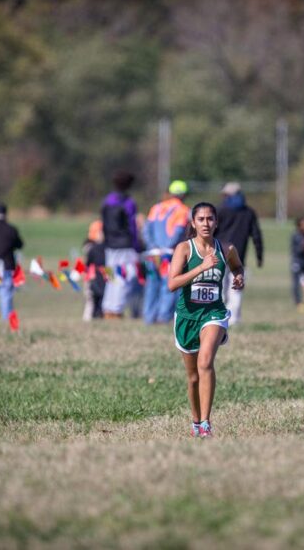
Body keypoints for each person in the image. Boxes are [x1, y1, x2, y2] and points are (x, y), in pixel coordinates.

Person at [168, 202, 244, 438]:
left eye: (210, 219)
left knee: (205, 363)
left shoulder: (227, 248)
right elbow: (172, 284)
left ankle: (206, 424)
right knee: (192, 377)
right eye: (200, 219)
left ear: (216, 222)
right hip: (187, 317)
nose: (206, 223)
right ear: (193, 223)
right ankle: (195, 421)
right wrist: (200, 268)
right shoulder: (184, 249)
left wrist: (239, 277)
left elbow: (237, 266)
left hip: (214, 313)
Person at [142, 180, 190, 324]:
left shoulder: (156, 207)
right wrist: (166, 248)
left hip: (152, 254)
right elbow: (179, 231)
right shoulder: (183, 210)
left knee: (151, 285)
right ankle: (163, 317)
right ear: (183, 195)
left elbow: (146, 230)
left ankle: (148, 318)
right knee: (169, 285)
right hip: (169, 254)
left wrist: (153, 247)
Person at [216, 182, 264, 325]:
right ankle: (234, 319)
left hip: (218, 253)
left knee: (219, 287)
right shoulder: (248, 212)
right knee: (237, 287)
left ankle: (219, 316)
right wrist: (259, 256)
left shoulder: (220, 210)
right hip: (239, 256)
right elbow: (256, 235)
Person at [100, 171, 140, 319]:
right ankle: (117, 310)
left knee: (111, 277)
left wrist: (105, 241)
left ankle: (108, 308)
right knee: (126, 275)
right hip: (125, 246)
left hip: (110, 245)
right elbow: (132, 226)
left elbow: (103, 223)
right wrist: (136, 245)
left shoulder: (107, 200)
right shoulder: (128, 202)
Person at [82, 220, 106, 321]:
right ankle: (88, 318)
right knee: (91, 299)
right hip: (93, 277)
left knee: (103, 298)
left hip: (104, 276)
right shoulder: (90, 248)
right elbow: (87, 264)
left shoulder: (106, 247)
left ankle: (101, 315)